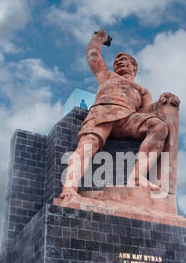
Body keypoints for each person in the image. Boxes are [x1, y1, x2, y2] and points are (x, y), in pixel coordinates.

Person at [59, 28, 179, 199]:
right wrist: (98, 38)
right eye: (117, 62)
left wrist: (163, 102)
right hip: (101, 114)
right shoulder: (107, 75)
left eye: (124, 60)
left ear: (134, 66)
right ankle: (69, 189)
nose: (119, 63)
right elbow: (93, 56)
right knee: (86, 147)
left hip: (127, 120)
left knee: (158, 126)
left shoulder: (142, 91)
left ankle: (137, 177)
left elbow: (144, 113)